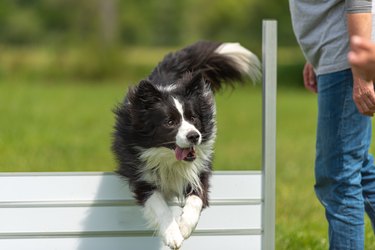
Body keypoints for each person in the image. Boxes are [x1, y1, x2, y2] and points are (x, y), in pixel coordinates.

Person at [289, 0, 375, 249]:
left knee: (339, 177)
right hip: (334, 54)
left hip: (346, 58)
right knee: (355, 165)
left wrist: (360, 70)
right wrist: (316, 55)